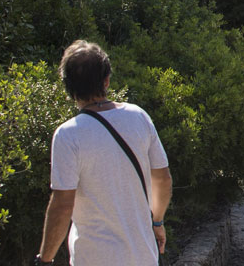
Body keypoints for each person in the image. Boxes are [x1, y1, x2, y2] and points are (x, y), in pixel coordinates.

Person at [36, 41, 172, 266]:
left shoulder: (68, 135)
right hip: (144, 256)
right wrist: (157, 223)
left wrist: (45, 259)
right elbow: (163, 179)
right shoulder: (139, 117)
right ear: (106, 81)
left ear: (68, 87)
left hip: (94, 258)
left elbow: (62, 205)